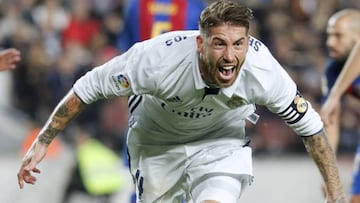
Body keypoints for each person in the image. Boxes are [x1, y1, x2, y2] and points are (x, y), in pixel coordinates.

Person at [17, 1, 345, 202]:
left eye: (238, 44)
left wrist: (335, 192)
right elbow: (86, 88)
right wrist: (44, 140)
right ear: (200, 42)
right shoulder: (156, 60)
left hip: (220, 144)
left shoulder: (263, 69)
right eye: (219, 44)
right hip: (157, 145)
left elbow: (311, 129)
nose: (230, 56)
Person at [320, 9, 360, 203]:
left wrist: (335, 94)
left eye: (338, 36)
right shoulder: (334, 69)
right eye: (329, 35)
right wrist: (330, 174)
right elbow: (330, 120)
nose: (330, 42)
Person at [117, 0, 207, 52]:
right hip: (179, 75)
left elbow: (125, 48)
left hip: (142, 74)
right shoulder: (195, 6)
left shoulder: (135, 5)